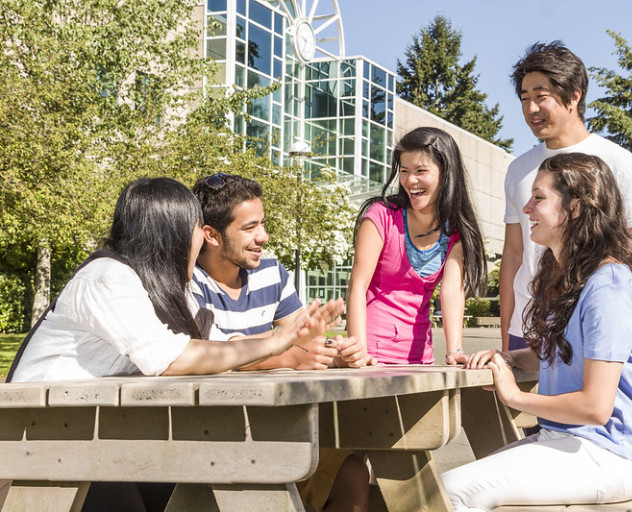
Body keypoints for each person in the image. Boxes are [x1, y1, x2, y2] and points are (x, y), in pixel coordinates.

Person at [7, 177, 342, 511]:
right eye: (197, 228)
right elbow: (170, 359)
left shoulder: (164, 289)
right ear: (172, 231)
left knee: (216, 482)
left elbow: (218, 349)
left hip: (100, 436)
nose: (200, 239)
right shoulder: (107, 277)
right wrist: (275, 343)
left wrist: (293, 346)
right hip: (44, 440)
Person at [442, 153, 632, 510]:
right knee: (448, 486)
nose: (527, 208)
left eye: (539, 198)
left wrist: (513, 395)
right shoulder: (574, 278)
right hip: (567, 441)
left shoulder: (609, 287)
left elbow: (595, 407)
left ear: (575, 208)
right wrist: (506, 358)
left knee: (453, 491)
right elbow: (553, 353)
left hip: (609, 454)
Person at [190, 173, 370, 512]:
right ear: (211, 235)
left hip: (276, 430)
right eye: (249, 228)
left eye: (263, 224)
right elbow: (202, 352)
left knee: (353, 473)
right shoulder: (189, 281)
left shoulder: (271, 271)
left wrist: (337, 354)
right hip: (210, 440)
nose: (263, 237)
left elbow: (303, 339)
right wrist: (287, 357)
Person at [500, 41, 632, 351]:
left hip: (593, 324)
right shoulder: (518, 169)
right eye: (524, 98)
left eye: (540, 97)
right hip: (527, 326)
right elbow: (514, 253)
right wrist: (508, 331)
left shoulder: (618, 161)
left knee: (589, 401)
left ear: (574, 95)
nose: (531, 109)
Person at [346, 126, 487, 365]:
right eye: (404, 171)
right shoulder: (381, 216)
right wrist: (358, 351)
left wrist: (454, 350)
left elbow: (451, 292)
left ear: (446, 173)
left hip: (421, 359)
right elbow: (357, 287)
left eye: (421, 171)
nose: (410, 180)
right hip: (373, 356)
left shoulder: (456, 231)